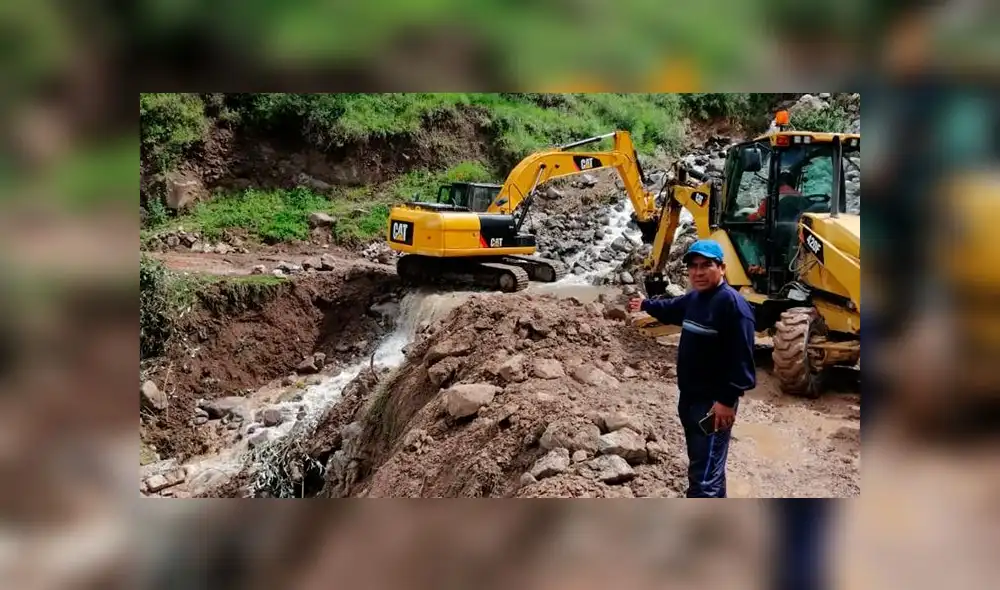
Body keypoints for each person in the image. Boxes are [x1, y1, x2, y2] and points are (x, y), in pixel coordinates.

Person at [628, 239, 757, 497]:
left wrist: (726, 400)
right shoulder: (696, 299)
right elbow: (670, 309)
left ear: (721, 268)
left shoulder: (733, 306)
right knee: (705, 465)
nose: (698, 272)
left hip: (712, 404)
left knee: (704, 474)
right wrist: (645, 305)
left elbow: (741, 361)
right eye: (693, 267)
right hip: (690, 397)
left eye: (706, 266)